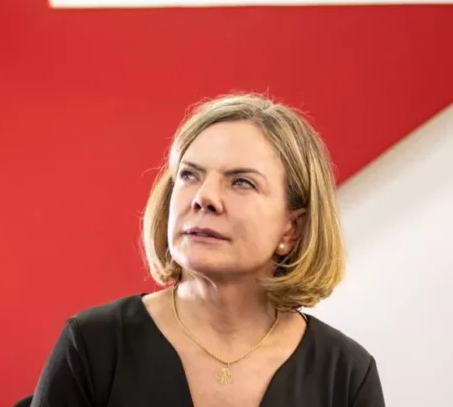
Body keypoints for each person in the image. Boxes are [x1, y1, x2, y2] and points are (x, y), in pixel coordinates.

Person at [29, 93, 385, 406]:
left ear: (291, 228)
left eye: (241, 182)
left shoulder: (346, 375)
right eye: (189, 175)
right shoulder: (94, 344)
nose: (204, 197)